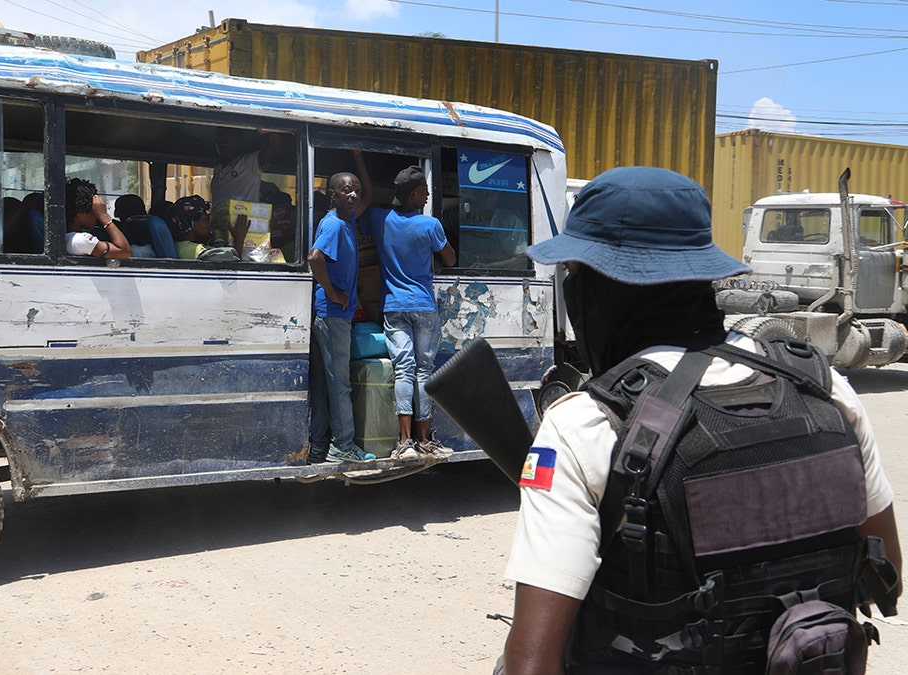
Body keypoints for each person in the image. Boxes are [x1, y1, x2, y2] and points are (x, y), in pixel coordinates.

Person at [498, 167, 901, 674]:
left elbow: (530, 666)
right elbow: (886, 574)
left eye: (576, 275)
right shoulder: (821, 388)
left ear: (605, 288)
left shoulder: (587, 423)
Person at [361, 164, 457, 461]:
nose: (428, 197)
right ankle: (424, 439)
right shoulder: (430, 225)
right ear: (413, 194)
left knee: (403, 369)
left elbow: (365, 206)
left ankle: (404, 441)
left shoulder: (380, 219)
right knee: (423, 370)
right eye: (424, 193)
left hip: (394, 305)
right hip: (424, 306)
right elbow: (450, 260)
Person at [306, 156, 377, 465]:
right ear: (332, 194)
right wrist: (333, 292)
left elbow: (370, 197)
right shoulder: (335, 224)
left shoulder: (346, 220)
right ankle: (344, 446)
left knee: (324, 384)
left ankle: (320, 448)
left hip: (331, 317)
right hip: (333, 316)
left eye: (356, 190)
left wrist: (360, 159)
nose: (354, 195)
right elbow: (314, 258)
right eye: (347, 190)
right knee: (340, 385)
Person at [64, 178, 130, 259]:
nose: (96, 215)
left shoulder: (68, 237)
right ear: (80, 213)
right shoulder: (79, 240)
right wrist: (103, 216)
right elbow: (124, 251)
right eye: (95, 209)